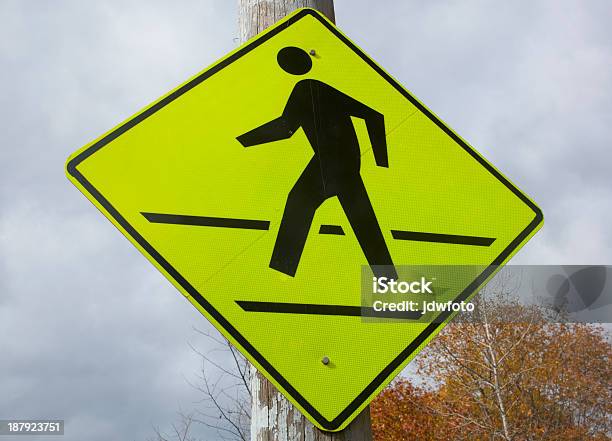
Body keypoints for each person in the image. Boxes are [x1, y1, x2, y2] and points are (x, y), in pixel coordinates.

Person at [237, 46, 397, 280]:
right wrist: (379, 162)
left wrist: (242, 141)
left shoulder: (306, 88)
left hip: (333, 160)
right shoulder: (318, 87)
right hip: (342, 161)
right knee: (361, 220)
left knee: (302, 203)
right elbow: (373, 116)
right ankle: (389, 280)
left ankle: (281, 273)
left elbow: (285, 127)